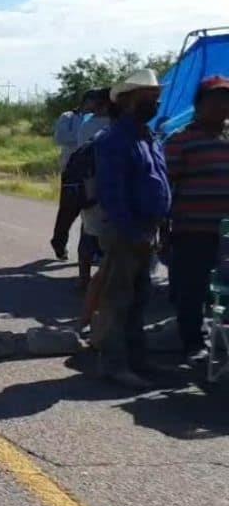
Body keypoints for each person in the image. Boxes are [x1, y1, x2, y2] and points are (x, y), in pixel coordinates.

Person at [91, 69, 171, 388]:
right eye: (147, 98)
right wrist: (131, 231)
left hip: (147, 229)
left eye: (156, 98)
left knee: (139, 299)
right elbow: (112, 193)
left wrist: (160, 226)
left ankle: (137, 360)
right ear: (126, 102)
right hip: (126, 230)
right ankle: (113, 365)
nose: (155, 103)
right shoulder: (114, 140)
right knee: (118, 299)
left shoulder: (147, 135)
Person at [164, 75, 229, 363]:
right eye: (216, 101)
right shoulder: (181, 141)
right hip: (193, 230)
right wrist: (163, 230)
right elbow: (165, 188)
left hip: (227, 234)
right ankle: (193, 343)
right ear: (199, 105)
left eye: (227, 101)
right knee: (193, 289)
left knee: (222, 292)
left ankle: (220, 342)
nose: (223, 107)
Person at [51, 92, 98, 260]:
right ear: (85, 101)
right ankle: (59, 242)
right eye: (93, 101)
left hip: (92, 172)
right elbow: (60, 137)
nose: (94, 105)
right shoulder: (69, 117)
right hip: (71, 171)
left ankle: (89, 251)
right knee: (68, 211)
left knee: (90, 211)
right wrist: (84, 136)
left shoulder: (97, 120)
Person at [74, 88, 113, 291]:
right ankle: (102, 282)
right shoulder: (111, 126)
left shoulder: (86, 125)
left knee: (87, 232)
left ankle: (84, 278)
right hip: (103, 186)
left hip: (89, 186)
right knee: (105, 237)